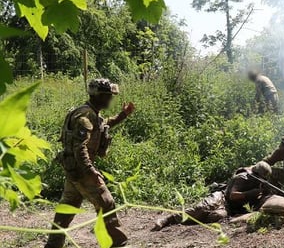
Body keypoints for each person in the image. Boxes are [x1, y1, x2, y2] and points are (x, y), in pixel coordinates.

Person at [45, 79, 135, 248]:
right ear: (100, 96)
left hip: (74, 169)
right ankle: (116, 243)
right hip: (81, 170)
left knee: (68, 207)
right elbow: (80, 147)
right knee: (106, 203)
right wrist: (91, 171)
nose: (110, 99)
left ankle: (53, 244)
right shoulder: (86, 115)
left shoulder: (90, 113)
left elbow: (103, 125)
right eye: (109, 96)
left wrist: (123, 115)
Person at [151, 161, 272, 231]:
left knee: (217, 216)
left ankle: (190, 221)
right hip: (222, 197)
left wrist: (264, 192)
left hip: (229, 208)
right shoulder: (242, 177)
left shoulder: (259, 183)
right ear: (255, 172)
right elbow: (233, 195)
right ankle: (169, 219)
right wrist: (253, 192)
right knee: (203, 207)